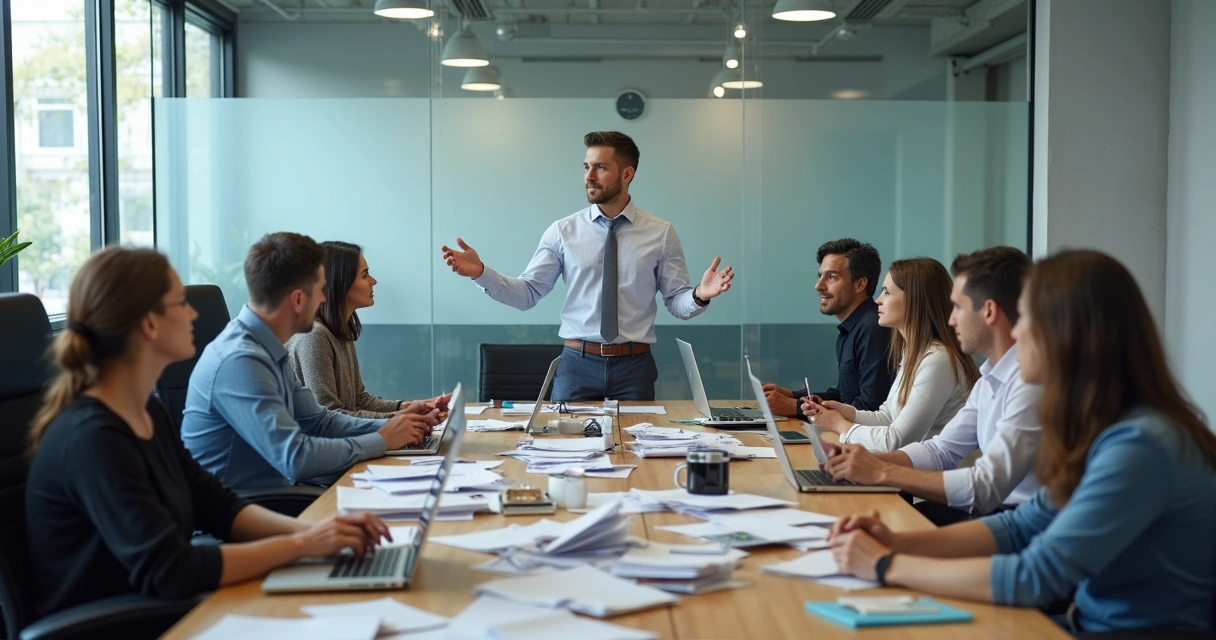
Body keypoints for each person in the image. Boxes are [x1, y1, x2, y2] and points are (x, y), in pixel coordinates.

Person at [827, 250, 1216, 634]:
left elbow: (1035, 577)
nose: (1015, 332)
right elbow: (1020, 526)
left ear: (1066, 333)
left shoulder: (1138, 446)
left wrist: (885, 563)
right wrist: (896, 542)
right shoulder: (1102, 429)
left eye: (1026, 317)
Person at [25, 247, 393, 618]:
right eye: (180, 303)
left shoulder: (146, 412)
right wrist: (302, 545)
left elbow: (216, 504)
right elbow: (171, 569)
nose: (193, 314)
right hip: (123, 622)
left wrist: (315, 532)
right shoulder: (94, 438)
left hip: (163, 605)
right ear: (149, 325)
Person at [440, 131, 734, 401]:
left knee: (638, 441)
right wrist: (481, 273)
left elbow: (677, 302)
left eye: (600, 167)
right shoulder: (563, 232)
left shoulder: (661, 234)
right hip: (576, 365)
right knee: (566, 441)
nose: (589, 177)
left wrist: (699, 295)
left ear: (627, 173)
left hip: (634, 367)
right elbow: (526, 294)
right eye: (586, 167)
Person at [183, 232, 437, 492]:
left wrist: (393, 427)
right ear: (298, 299)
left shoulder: (268, 349)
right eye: (319, 291)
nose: (324, 299)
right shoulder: (241, 360)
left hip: (272, 496)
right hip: (246, 505)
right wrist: (381, 440)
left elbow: (320, 421)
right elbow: (295, 458)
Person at [823, 247, 1042, 525]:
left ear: (988, 311)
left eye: (958, 307)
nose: (951, 319)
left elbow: (985, 487)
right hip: (993, 509)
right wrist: (863, 461)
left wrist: (879, 471)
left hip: (1015, 517)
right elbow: (941, 450)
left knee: (880, 529)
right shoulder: (988, 378)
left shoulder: (1030, 382)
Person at [804, 257, 979, 452]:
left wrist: (838, 424)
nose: (878, 300)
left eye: (887, 292)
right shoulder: (913, 352)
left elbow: (896, 441)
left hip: (927, 471)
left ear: (914, 300)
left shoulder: (937, 359)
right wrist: (845, 412)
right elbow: (887, 417)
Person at [287, 241, 448, 418]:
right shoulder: (313, 336)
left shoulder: (341, 332)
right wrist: (404, 418)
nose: (373, 281)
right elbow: (329, 417)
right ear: (340, 282)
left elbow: (359, 400)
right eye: (365, 275)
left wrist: (408, 407)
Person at [763, 238, 894, 417]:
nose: (818, 286)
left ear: (859, 284)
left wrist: (794, 408)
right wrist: (792, 396)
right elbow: (843, 396)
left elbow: (871, 407)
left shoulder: (874, 328)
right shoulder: (851, 328)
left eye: (832, 277)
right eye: (820, 276)